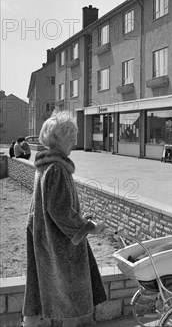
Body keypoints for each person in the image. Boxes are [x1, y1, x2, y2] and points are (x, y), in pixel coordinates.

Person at [22, 111, 107, 327]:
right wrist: (89, 226)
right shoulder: (58, 169)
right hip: (61, 247)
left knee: (38, 294)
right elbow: (60, 211)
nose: (75, 142)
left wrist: (80, 219)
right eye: (71, 138)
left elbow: (46, 209)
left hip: (44, 241)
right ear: (58, 139)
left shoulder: (44, 167)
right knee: (69, 301)